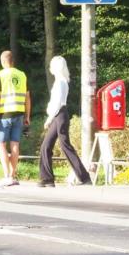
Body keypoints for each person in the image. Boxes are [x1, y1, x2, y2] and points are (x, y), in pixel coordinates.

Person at [39, 56, 91, 187]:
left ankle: (83, 177)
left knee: (63, 146)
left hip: (59, 115)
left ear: (55, 67)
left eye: (51, 65)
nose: (50, 67)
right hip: (59, 116)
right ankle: (47, 178)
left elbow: (57, 103)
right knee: (47, 146)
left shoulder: (60, 83)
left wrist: (49, 118)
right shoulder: (61, 82)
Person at [0, 50, 31, 187]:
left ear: (2, 62)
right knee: (15, 144)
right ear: (13, 61)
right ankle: (13, 175)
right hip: (19, 114)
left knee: (0, 144)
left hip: (4, 114)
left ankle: (7, 175)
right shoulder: (22, 75)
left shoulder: (0, 75)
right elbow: (27, 97)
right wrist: (27, 116)